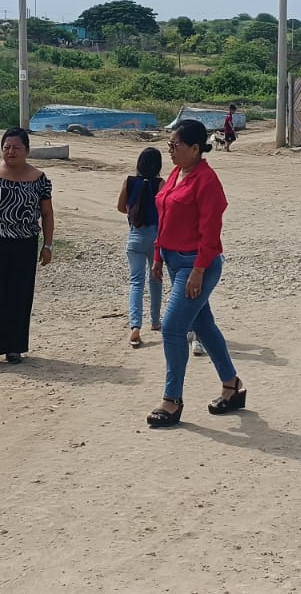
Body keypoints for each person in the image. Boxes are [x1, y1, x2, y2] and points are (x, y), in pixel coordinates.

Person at [145, 119, 246, 427]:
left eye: (175, 145)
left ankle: (172, 400)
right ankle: (232, 385)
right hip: (174, 261)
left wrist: (199, 270)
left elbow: (211, 230)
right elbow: (164, 217)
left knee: (173, 328)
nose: (170, 150)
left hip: (196, 264)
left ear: (194, 148)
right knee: (203, 325)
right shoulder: (177, 173)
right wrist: (158, 255)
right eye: (169, 145)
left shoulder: (207, 180)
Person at [0, 128, 54, 367]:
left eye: (16, 147)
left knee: (19, 296)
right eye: (6, 147)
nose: (10, 152)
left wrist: (47, 245)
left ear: (27, 150)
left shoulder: (40, 179)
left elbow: (47, 214)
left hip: (25, 245)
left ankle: (13, 347)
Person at [116, 147, 163, 348]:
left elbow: (120, 207)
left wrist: (132, 211)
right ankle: (155, 320)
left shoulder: (129, 181)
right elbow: (165, 211)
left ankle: (135, 326)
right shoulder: (160, 184)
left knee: (136, 282)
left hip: (135, 236)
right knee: (156, 279)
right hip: (155, 238)